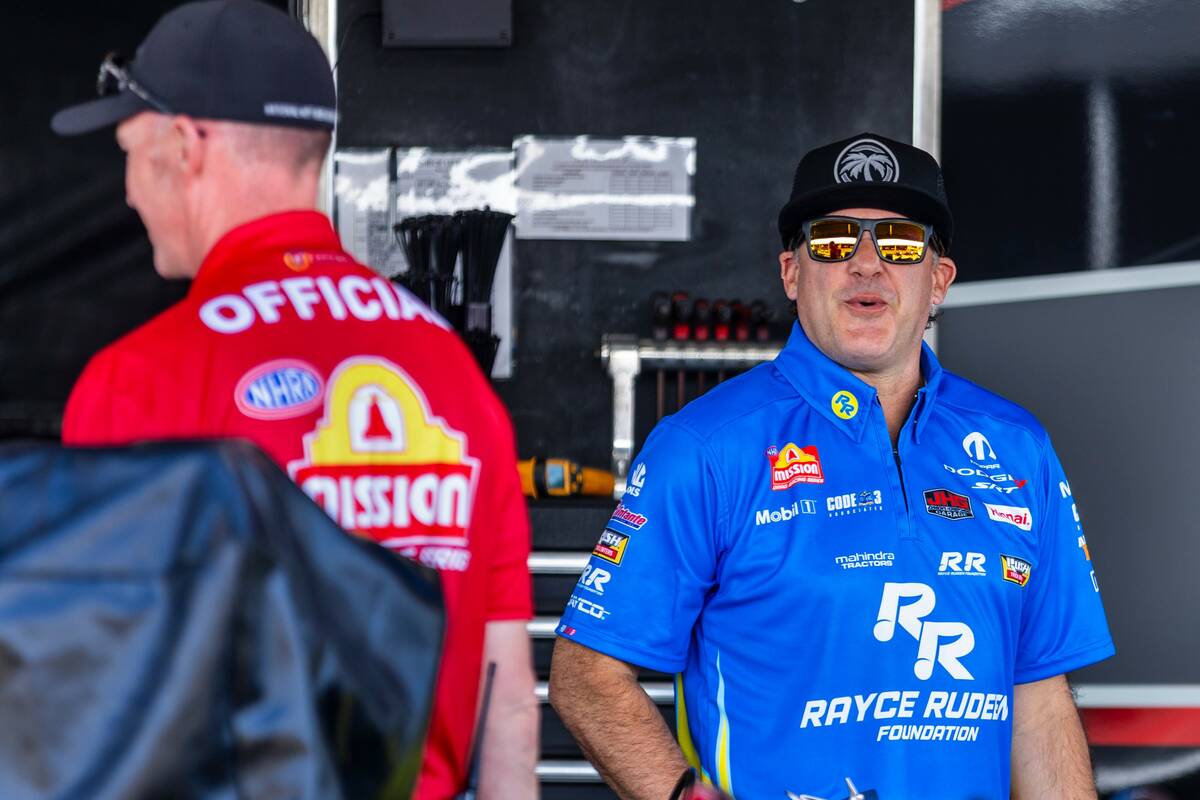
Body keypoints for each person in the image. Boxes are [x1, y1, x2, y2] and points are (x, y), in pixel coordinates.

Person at [50, 2, 538, 797]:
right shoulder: (453, 376)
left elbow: (98, 708)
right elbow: (508, 703)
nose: (131, 195)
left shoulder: (137, 382)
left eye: (129, 153)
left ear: (184, 143)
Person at [549, 132, 1114, 799]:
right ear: (792, 273)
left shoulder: (1018, 448)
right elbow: (585, 672)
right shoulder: (705, 448)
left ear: (938, 280)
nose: (866, 265)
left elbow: (1040, 697)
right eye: (835, 241)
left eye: (900, 242)